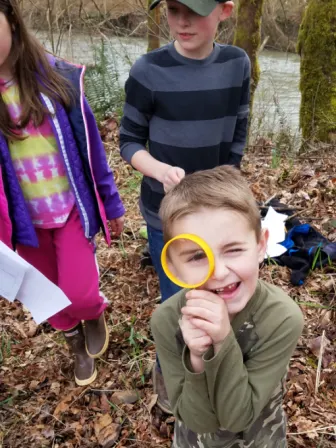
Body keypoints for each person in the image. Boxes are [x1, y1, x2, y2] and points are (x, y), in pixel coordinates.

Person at [120, 0, 249, 410]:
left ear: (224, 11)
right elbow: (129, 142)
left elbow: (239, 128)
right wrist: (158, 170)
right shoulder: (148, 70)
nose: (181, 21)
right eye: (173, 9)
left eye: (194, 10)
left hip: (217, 211)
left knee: (221, 289)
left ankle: (218, 370)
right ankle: (172, 376)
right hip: (165, 213)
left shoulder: (237, 64)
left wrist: (228, 183)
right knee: (179, 295)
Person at [0, 0, 125, 386]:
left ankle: (93, 313)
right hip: (25, 224)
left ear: (12, 21)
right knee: (47, 295)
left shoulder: (57, 80)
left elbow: (92, 152)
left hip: (69, 211)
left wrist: (112, 204)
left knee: (81, 293)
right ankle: (72, 340)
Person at [151, 166, 304, 447]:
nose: (219, 272)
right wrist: (196, 359)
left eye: (233, 249)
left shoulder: (282, 318)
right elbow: (195, 421)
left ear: (260, 246)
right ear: (173, 266)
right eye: (198, 255)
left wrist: (221, 341)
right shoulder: (166, 320)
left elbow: (237, 418)